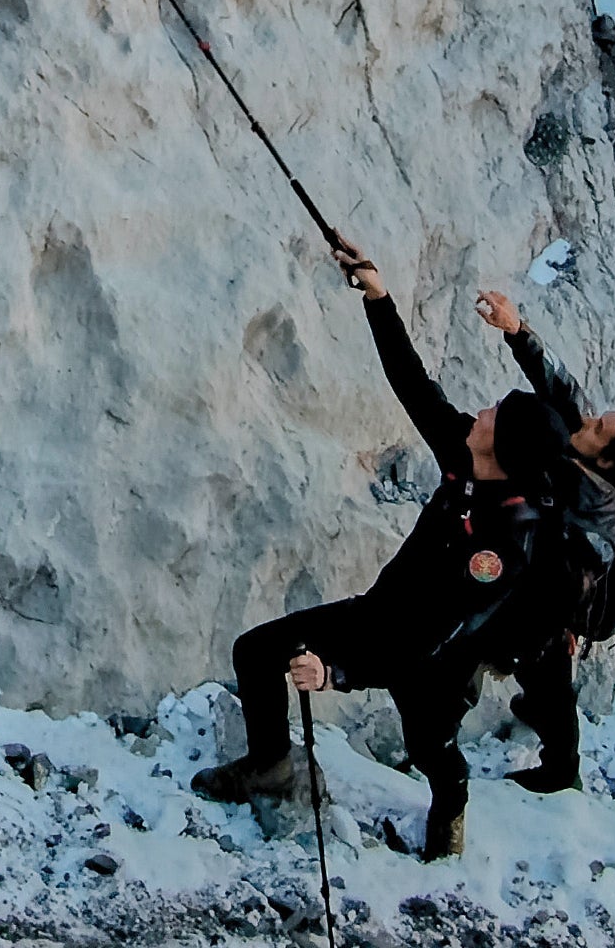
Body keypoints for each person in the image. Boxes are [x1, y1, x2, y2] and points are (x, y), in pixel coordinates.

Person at [191, 233, 582, 861]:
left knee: (431, 749)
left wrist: (337, 673)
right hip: (382, 615)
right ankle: (269, 765)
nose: (477, 412)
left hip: (436, 662)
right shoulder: (471, 455)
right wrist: (380, 297)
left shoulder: (503, 548)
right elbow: (413, 384)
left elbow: (425, 638)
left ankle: (451, 805)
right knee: (257, 651)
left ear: (502, 452)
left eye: (491, 415)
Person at [475, 284, 615, 794]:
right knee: (542, 673)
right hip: (561, 571)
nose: (589, 421)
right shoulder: (600, 460)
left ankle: (561, 769)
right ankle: (549, 733)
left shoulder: (596, 500)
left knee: (545, 663)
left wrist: (568, 621)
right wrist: (517, 330)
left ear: (605, 459)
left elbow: (576, 570)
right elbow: (567, 397)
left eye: (600, 429)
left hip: (568, 591)